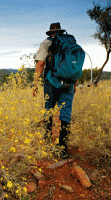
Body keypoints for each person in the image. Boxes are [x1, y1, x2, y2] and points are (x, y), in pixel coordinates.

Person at [33, 22, 77, 159]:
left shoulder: (46, 43)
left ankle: (47, 143)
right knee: (65, 115)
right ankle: (62, 149)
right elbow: (75, 65)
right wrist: (75, 83)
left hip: (51, 83)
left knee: (48, 111)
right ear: (61, 31)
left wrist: (35, 84)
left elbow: (40, 63)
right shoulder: (71, 43)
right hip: (68, 83)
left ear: (51, 32)